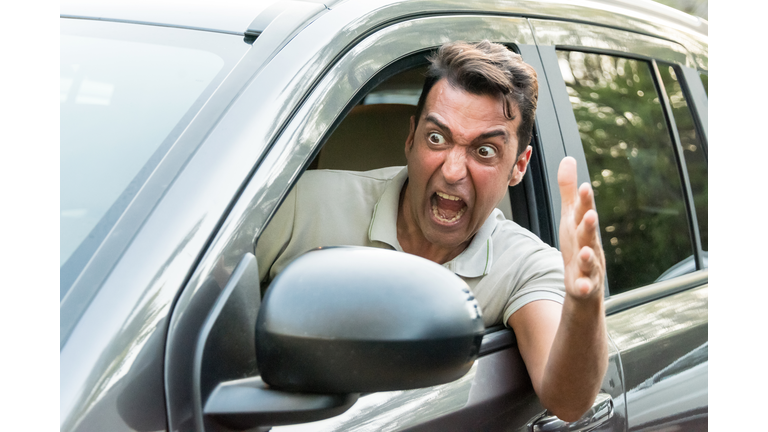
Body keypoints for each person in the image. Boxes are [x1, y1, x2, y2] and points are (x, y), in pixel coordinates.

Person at [256, 40, 607, 422]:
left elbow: (568, 401)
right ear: (411, 138)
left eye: (485, 151)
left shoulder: (526, 266)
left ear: (519, 167)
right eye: (437, 138)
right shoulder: (298, 205)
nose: (453, 170)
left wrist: (584, 302)